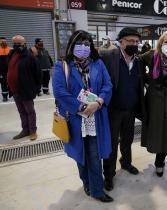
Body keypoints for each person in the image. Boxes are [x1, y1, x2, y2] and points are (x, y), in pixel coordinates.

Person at [52, 30, 113, 202]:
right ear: (72, 45)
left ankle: (97, 190)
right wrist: (81, 106)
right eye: (80, 43)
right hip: (76, 118)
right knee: (80, 155)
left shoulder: (98, 64)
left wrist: (98, 102)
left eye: (87, 44)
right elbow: (60, 93)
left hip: (96, 117)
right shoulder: (62, 66)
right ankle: (86, 182)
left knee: (94, 154)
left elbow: (107, 85)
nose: (84, 47)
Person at [100, 27, 143, 191]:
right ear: (121, 42)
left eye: (137, 42)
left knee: (128, 139)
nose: (134, 44)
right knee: (110, 144)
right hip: (113, 110)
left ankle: (126, 163)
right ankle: (109, 174)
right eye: (130, 41)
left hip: (130, 109)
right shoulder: (109, 57)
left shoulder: (138, 61)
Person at [140, 30, 167, 177]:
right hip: (153, 99)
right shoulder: (151, 55)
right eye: (166, 42)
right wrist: (148, 80)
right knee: (154, 128)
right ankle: (153, 149)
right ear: (160, 42)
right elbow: (138, 64)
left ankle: (160, 161)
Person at [7, 35, 41, 140]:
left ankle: (33, 131)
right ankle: (25, 130)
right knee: (21, 111)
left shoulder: (29, 56)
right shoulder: (12, 54)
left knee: (30, 111)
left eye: (19, 43)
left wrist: (36, 89)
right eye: (15, 43)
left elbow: (38, 74)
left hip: (26, 90)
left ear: (24, 43)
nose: (16, 45)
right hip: (15, 89)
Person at [0, 37, 10, 102]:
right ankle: (5, 97)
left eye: (4, 41)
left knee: (11, 82)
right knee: (3, 83)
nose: (3, 42)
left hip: (10, 70)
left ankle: (13, 95)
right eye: (2, 41)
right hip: (1, 71)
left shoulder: (9, 49)